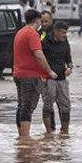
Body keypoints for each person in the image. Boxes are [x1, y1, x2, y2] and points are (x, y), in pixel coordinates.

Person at [13, 9, 58, 138]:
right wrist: (48, 71)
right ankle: (25, 138)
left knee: (21, 106)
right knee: (27, 107)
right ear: (37, 20)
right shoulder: (32, 34)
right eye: (40, 21)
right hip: (29, 76)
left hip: (19, 74)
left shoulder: (20, 32)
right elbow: (38, 54)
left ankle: (21, 136)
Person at [41, 21, 73, 135]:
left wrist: (69, 67)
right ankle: (49, 132)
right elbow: (38, 59)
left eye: (66, 33)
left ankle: (65, 131)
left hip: (62, 79)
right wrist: (42, 74)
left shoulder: (65, 42)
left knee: (66, 105)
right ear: (56, 31)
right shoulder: (45, 42)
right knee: (48, 104)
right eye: (63, 33)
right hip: (48, 79)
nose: (65, 35)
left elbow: (68, 59)